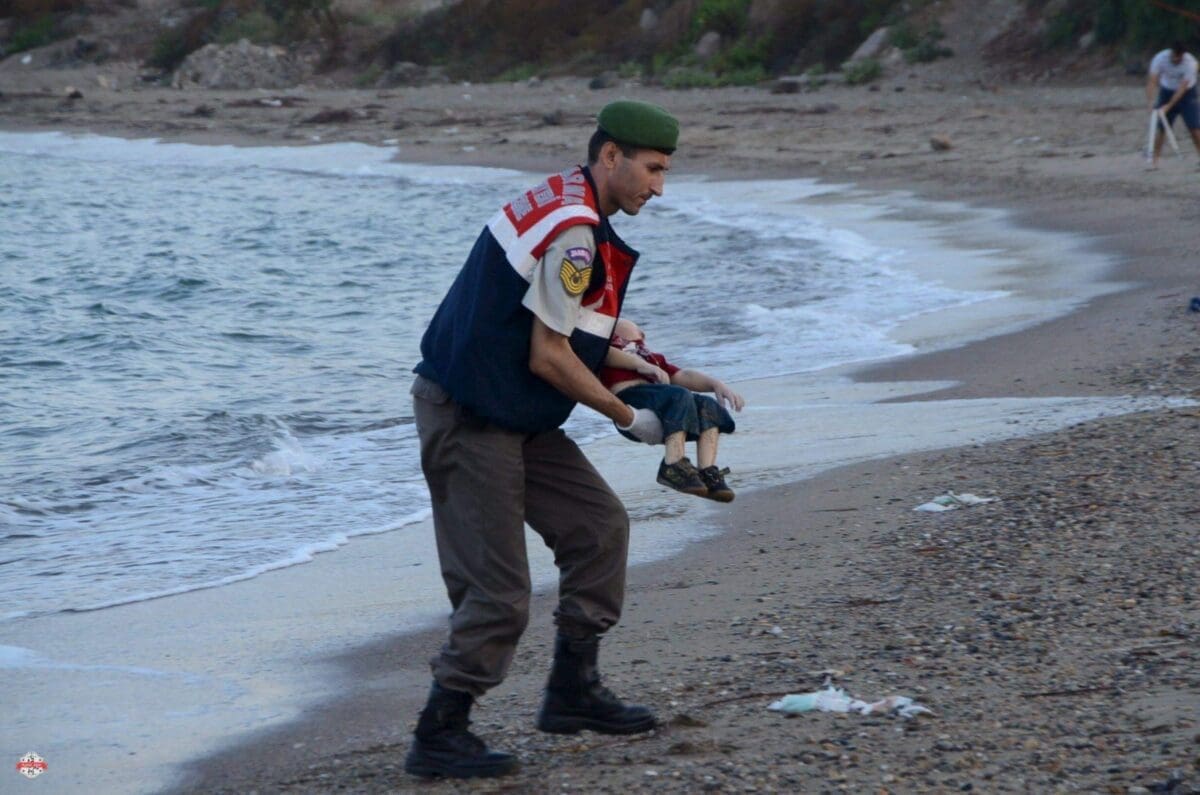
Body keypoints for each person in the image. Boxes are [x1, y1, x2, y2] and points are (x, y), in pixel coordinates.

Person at [404, 100, 679, 779]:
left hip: (516, 413)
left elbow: (550, 310)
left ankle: (571, 691)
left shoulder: (568, 201)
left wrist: (616, 337)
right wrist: (626, 415)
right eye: (651, 169)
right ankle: (440, 730)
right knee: (497, 592)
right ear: (609, 155)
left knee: (599, 525)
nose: (659, 187)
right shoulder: (577, 232)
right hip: (469, 415)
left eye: (666, 171)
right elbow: (548, 356)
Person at [599, 318, 744, 502]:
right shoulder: (609, 350)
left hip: (663, 404)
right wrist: (639, 364)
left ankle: (707, 472)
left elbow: (683, 375)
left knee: (707, 405)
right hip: (631, 399)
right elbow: (604, 352)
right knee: (679, 394)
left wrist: (715, 384)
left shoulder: (653, 359)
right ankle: (673, 463)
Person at [1145, 41, 1200, 169]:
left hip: (1187, 93)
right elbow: (1152, 80)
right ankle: (1154, 161)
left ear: (1183, 55)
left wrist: (1168, 107)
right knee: (1161, 127)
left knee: (1194, 127)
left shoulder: (1191, 63)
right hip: (1166, 90)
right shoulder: (1160, 58)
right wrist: (1150, 102)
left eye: (1178, 57)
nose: (1175, 59)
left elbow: (1182, 88)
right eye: (1174, 56)